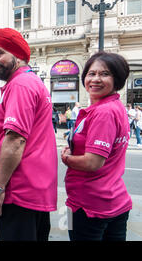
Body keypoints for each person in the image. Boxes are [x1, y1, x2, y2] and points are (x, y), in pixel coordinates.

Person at [0, 28, 58, 241]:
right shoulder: (29, 82)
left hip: (19, 192)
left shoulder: (20, 84)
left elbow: (15, 140)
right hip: (32, 190)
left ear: (17, 55)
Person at [61, 52, 132, 241]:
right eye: (91, 73)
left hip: (88, 206)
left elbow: (93, 162)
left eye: (105, 74)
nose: (95, 79)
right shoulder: (115, 106)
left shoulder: (103, 112)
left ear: (117, 79)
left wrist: (67, 158)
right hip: (114, 202)